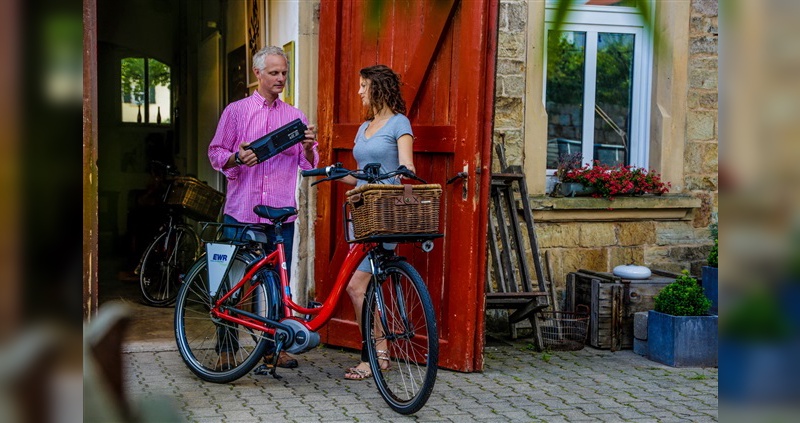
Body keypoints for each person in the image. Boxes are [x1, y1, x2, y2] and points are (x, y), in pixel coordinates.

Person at [208, 45, 318, 370]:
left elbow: (308, 164)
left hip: (281, 213)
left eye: (284, 72)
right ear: (258, 74)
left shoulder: (295, 117)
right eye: (274, 73)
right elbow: (215, 152)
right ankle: (226, 351)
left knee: (277, 285)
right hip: (242, 211)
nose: (281, 78)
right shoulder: (237, 112)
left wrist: (310, 148)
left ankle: (272, 349)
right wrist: (235, 157)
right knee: (230, 283)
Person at [337, 65, 416, 380]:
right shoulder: (363, 128)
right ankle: (379, 352)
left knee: (357, 286)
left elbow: (408, 167)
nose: (358, 91)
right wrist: (327, 171)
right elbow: (357, 177)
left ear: (378, 88)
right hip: (361, 214)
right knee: (363, 288)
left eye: (362, 85)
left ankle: (373, 353)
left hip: (385, 214)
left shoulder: (399, 124)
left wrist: (408, 207)